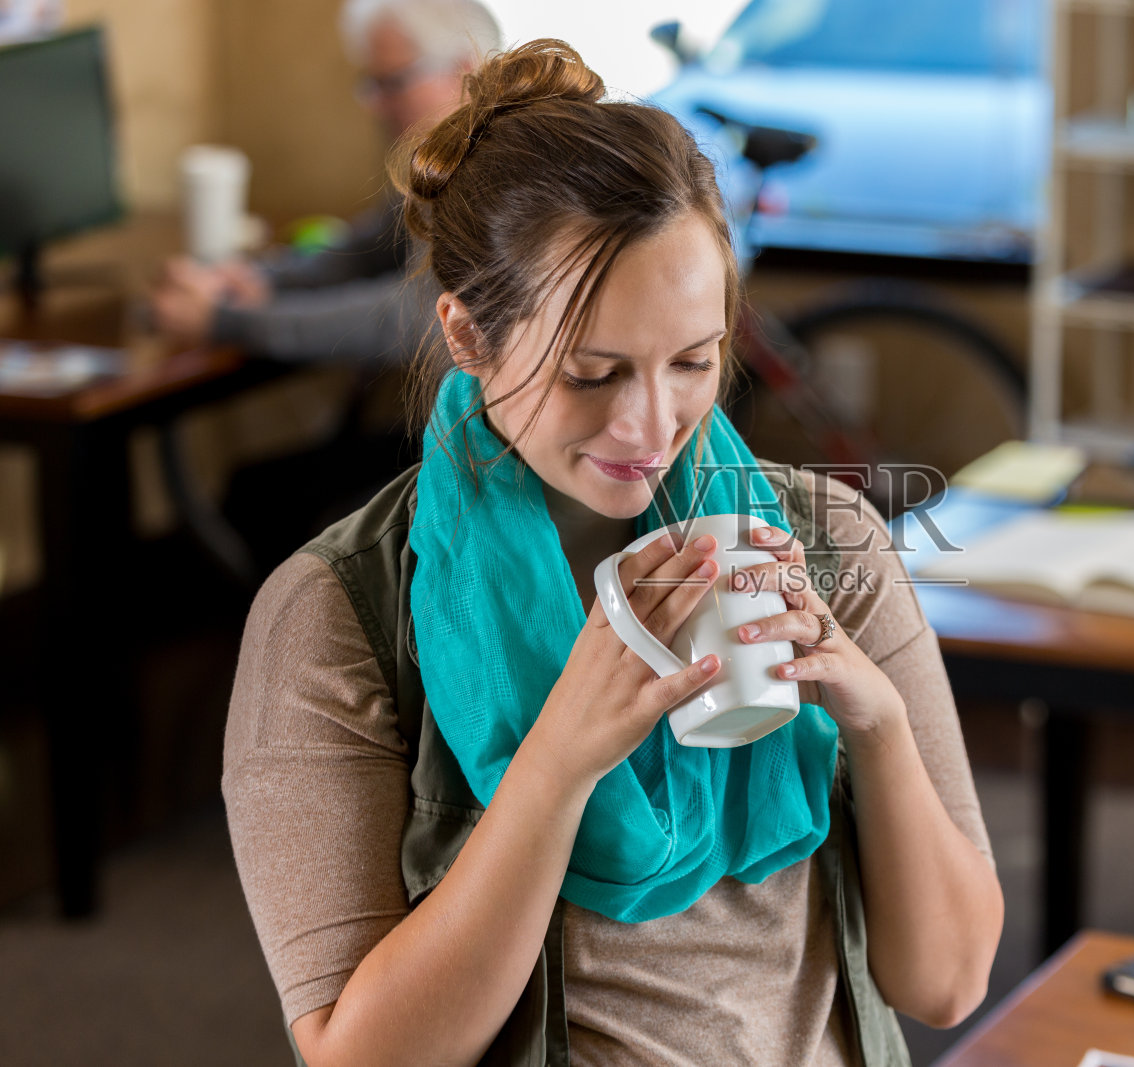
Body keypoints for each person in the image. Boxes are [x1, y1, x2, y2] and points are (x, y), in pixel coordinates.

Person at [221, 38, 1004, 1066]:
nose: (649, 422)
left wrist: (877, 724)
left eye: (691, 360)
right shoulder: (337, 615)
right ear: (464, 336)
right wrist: (555, 761)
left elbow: (944, 981)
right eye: (591, 373)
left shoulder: (819, 541)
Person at [149, 0, 502, 363]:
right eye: (372, 84)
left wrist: (225, 321)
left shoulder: (499, 171)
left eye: (392, 82)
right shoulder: (441, 164)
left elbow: (409, 319)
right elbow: (363, 251)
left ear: (464, 69)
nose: (375, 105)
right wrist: (260, 279)